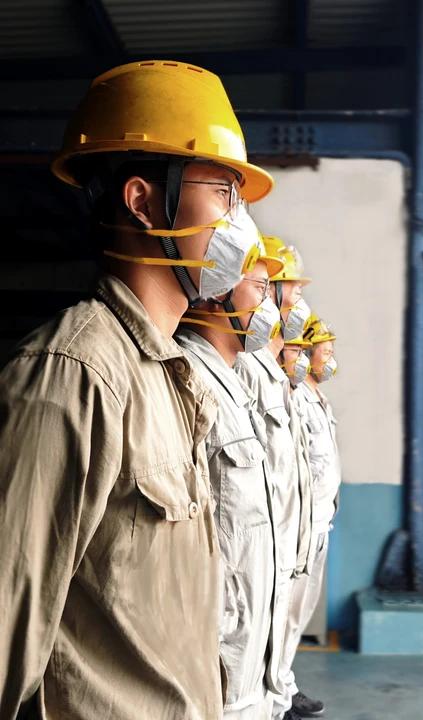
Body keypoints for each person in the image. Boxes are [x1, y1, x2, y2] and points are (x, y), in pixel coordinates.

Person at [0, 59, 273, 720]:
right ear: (143, 201)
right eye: (223, 193)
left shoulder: (169, 376)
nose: (240, 228)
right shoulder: (75, 373)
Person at [176, 251, 283, 719]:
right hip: (217, 633)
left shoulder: (232, 383)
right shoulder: (189, 378)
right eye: (260, 289)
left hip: (245, 634)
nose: (271, 308)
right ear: (218, 291)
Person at [233, 238, 313, 720]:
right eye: (289, 287)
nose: (297, 298)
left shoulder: (275, 367)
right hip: (258, 537)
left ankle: (279, 698)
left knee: (278, 633)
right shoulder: (246, 363)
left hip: (284, 532)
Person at [279, 314, 341, 719]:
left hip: (321, 521)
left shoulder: (319, 397)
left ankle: (285, 685)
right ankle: (278, 696)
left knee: (298, 615)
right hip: (301, 525)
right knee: (285, 613)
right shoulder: (297, 397)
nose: (330, 359)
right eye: (325, 352)